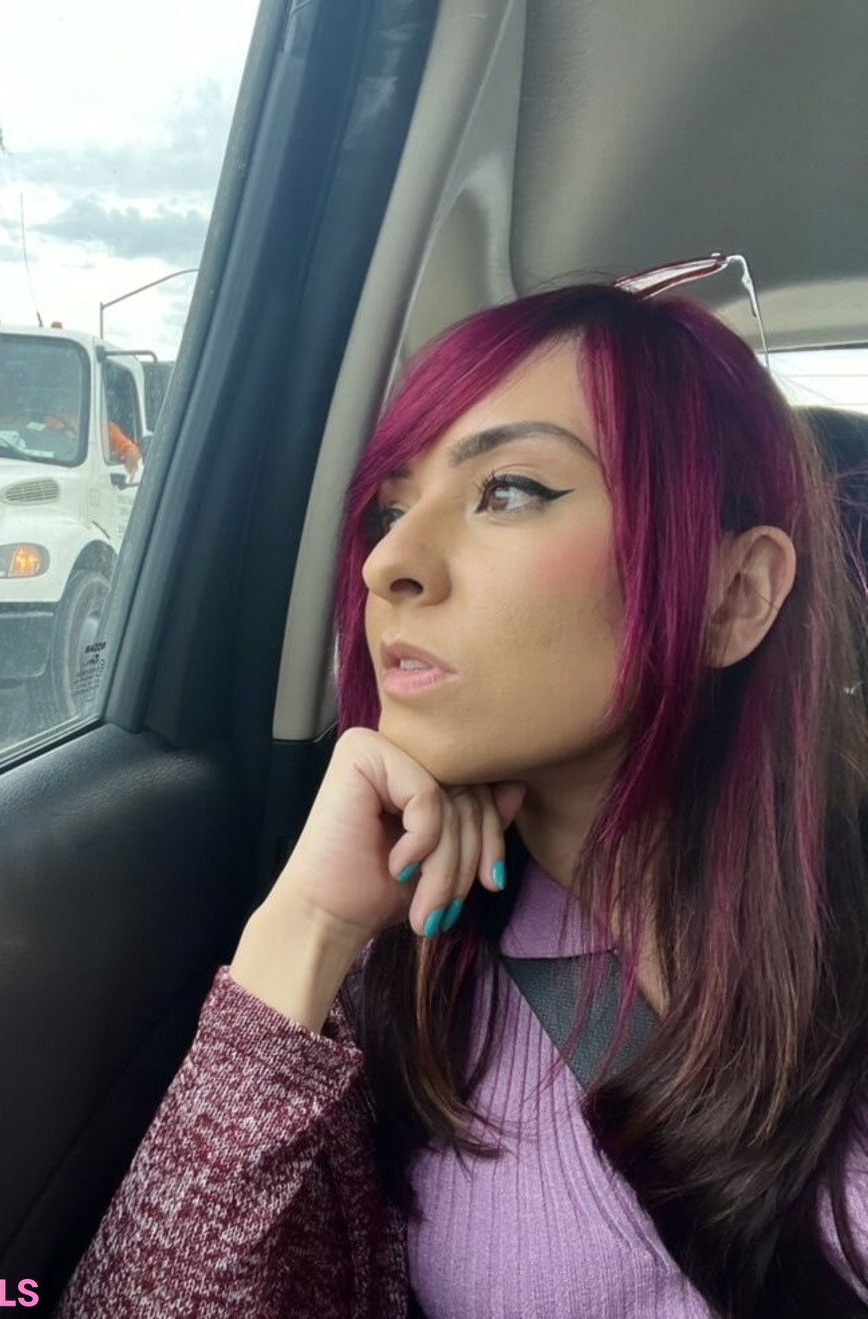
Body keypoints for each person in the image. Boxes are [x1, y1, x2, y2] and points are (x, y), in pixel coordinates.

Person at [56, 280, 867, 1318]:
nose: (389, 561)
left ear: (736, 594)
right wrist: (303, 931)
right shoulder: (401, 991)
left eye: (510, 489)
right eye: (389, 511)